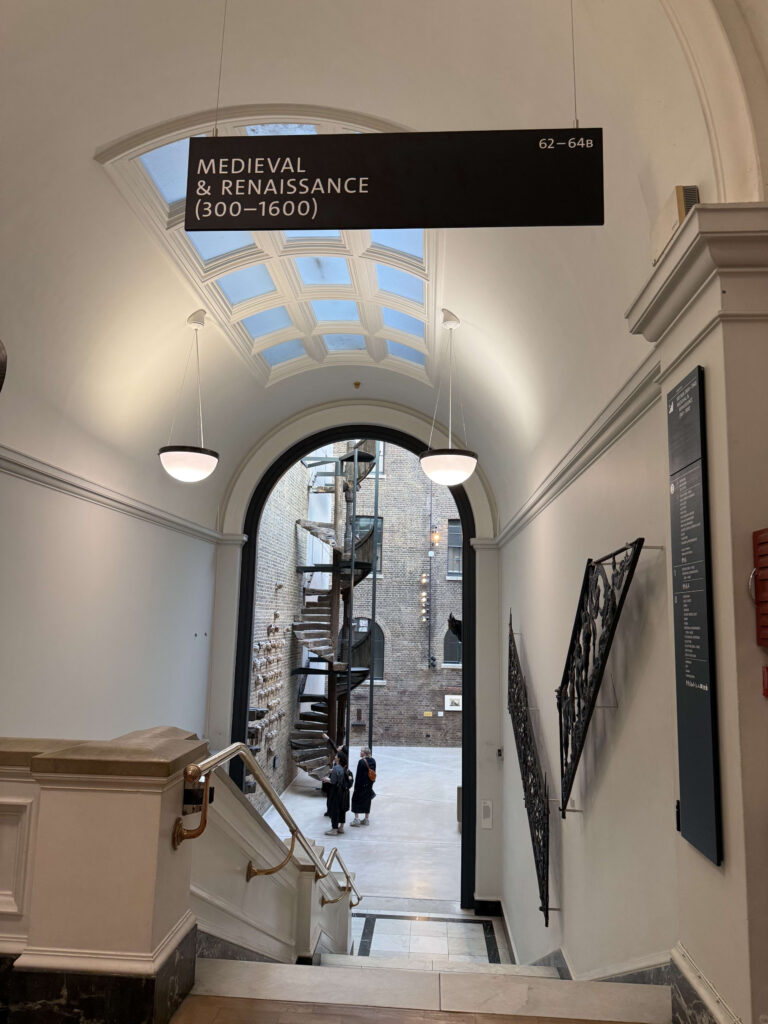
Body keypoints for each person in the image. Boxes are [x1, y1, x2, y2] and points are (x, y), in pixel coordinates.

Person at [325, 752, 351, 836]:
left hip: (336, 792)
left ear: (338, 758)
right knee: (342, 809)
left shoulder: (336, 768)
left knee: (334, 810)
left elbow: (333, 781)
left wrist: (325, 779)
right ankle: (341, 827)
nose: (335, 756)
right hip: (344, 792)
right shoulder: (345, 768)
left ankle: (334, 829)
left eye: (336, 756)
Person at [350, 747, 376, 826]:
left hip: (360, 786)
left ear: (365, 753)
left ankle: (356, 819)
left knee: (355, 800)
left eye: (361, 751)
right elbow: (373, 773)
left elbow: (358, 776)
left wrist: (356, 788)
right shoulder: (373, 761)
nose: (360, 752)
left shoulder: (361, 762)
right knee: (367, 801)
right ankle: (366, 819)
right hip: (369, 786)